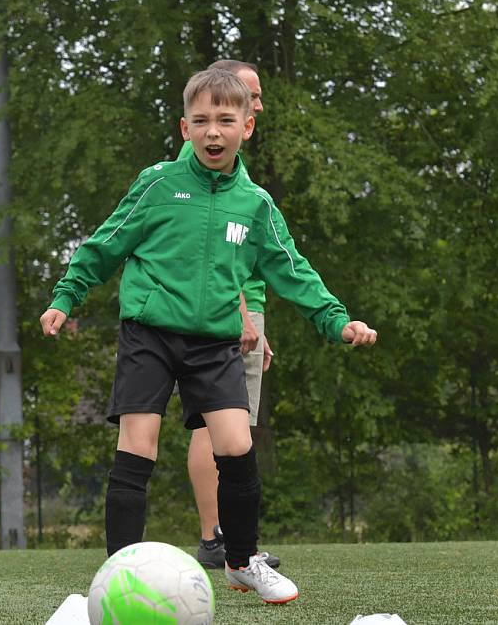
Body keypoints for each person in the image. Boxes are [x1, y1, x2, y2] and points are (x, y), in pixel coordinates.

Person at [40, 68, 377, 604]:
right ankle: (115, 574)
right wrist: (65, 296)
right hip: (149, 333)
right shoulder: (156, 184)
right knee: (138, 443)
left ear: (248, 126)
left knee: (237, 445)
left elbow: (293, 269)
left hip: (215, 342)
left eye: (225, 120)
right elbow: (103, 246)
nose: (212, 132)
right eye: (201, 121)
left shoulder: (255, 204)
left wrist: (338, 321)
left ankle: (242, 561)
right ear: (184, 127)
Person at [179, 59, 279, 569]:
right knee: (214, 426)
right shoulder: (199, 158)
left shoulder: (233, 163)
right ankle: (216, 536)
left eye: (255, 98)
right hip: (224, 313)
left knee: (228, 428)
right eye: (250, 92)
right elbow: (207, 250)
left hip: (245, 304)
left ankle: (228, 539)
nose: (258, 102)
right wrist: (241, 317)